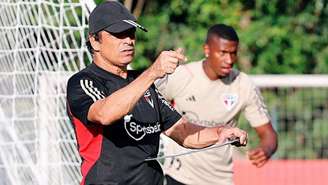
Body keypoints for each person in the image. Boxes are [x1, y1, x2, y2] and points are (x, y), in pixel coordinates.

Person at [66, 2, 248, 185]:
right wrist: (153, 72)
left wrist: (220, 132)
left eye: (131, 33)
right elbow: (104, 114)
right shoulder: (83, 82)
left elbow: (182, 131)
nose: (128, 40)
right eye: (118, 34)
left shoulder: (143, 82)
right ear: (94, 41)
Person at [156, 24, 278, 185]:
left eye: (233, 53)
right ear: (207, 50)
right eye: (223, 53)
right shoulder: (182, 76)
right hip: (178, 176)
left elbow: (268, 134)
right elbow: (148, 105)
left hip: (220, 179)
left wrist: (265, 150)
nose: (229, 60)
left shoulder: (243, 85)